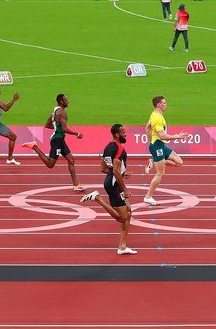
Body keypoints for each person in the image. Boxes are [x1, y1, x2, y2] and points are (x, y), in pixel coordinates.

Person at [80, 124, 136, 255]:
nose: (125, 134)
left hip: (112, 181)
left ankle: (122, 246)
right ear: (117, 134)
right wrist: (125, 189)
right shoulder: (118, 149)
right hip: (114, 185)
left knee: (128, 212)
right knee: (122, 218)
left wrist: (122, 174)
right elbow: (115, 170)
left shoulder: (107, 147)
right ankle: (97, 198)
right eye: (123, 132)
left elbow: (103, 168)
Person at [22, 94, 85, 192]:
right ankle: (35, 147)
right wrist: (77, 133)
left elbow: (47, 125)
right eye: (66, 100)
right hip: (57, 141)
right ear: (61, 102)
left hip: (60, 139)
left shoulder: (55, 111)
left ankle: (76, 184)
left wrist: (56, 128)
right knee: (50, 164)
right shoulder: (61, 113)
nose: (68, 101)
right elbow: (64, 128)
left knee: (71, 160)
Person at [143, 96, 188, 206]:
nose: (166, 104)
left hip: (160, 145)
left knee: (179, 162)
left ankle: (153, 161)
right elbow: (162, 136)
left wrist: (150, 137)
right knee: (160, 173)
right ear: (158, 105)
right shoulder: (157, 118)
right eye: (164, 103)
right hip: (157, 146)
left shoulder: (155, 115)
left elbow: (147, 128)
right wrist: (178, 136)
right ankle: (148, 197)